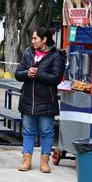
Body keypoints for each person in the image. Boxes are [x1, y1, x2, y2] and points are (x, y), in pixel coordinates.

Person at [15, 27, 65, 173]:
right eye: (33, 38)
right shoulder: (28, 53)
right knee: (28, 131)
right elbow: (18, 74)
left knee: (47, 131)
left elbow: (56, 78)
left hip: (46, 101)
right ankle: (27, 160)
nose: (33, 41)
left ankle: (45, 161)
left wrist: (38, 73)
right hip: (28, 100)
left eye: (36, 38)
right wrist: (26, 73)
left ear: (44, 40)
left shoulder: (56, 56)